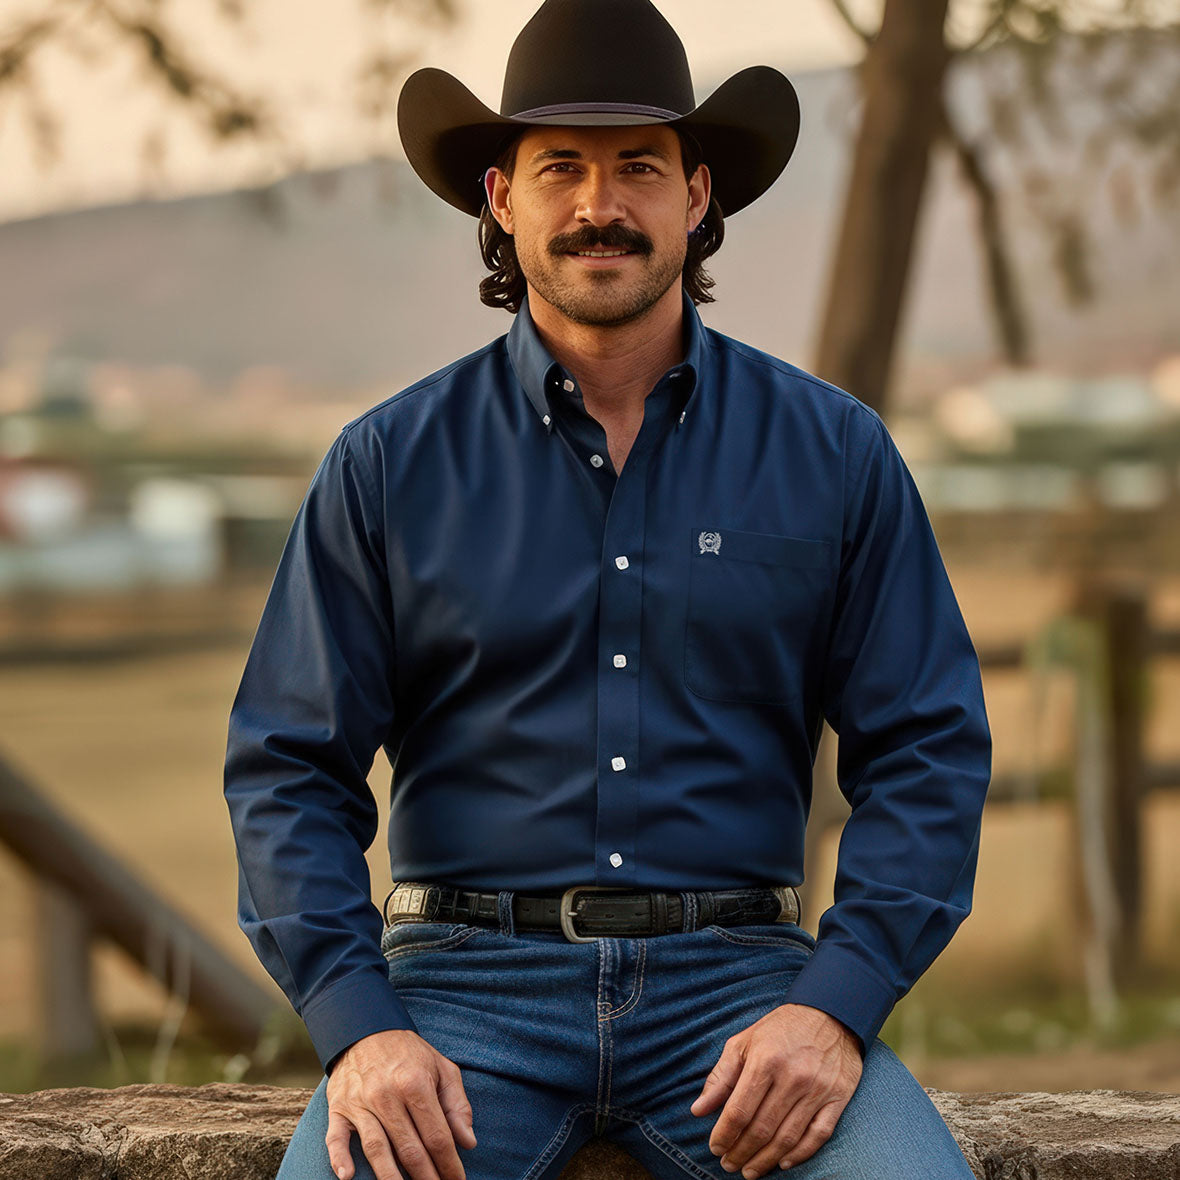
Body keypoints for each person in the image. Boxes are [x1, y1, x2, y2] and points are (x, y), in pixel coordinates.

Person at [223, 2, 992, 1178]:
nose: (599, 205)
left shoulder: (833, 453)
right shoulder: (388, 463)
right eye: (560, 169)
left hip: (743, 992)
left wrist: (834, 1007)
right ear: (500, 196)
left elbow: (928, 746)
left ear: (695, 197)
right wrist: (360, 1025)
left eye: (638, 165)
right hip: (456, 996)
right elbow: (287, 763)